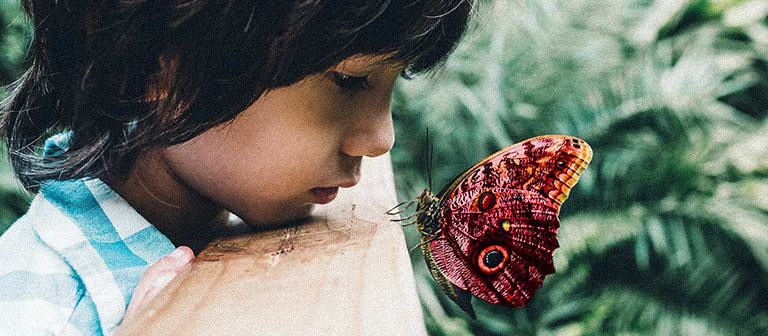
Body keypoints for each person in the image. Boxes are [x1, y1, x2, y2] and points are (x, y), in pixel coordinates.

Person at [0, 0, 475, 334]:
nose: (381, 139)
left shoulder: (224, 204)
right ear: (152, 66)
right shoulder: (40, 309)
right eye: (349, 81)